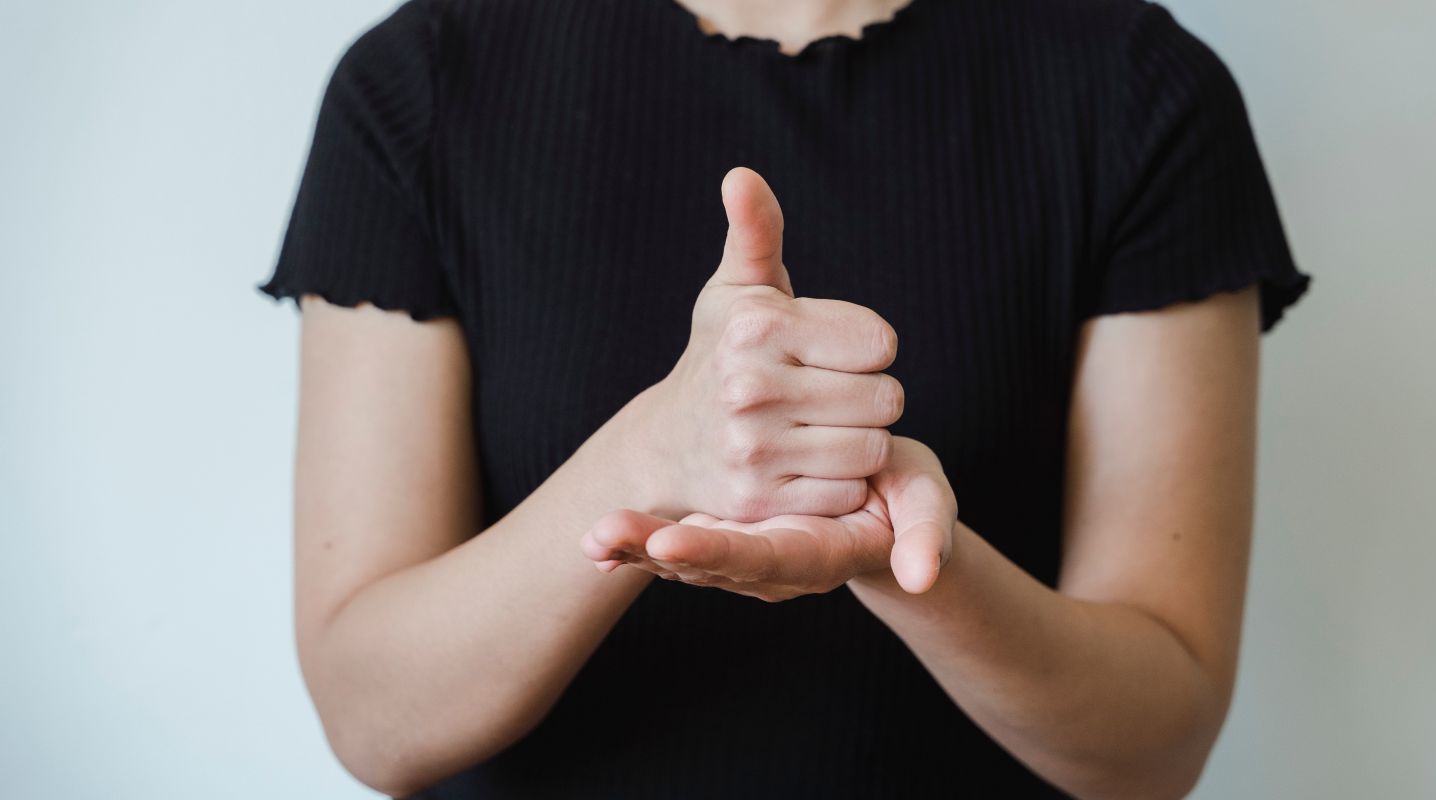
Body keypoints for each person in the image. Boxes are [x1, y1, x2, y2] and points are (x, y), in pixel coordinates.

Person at [257, 0, 1311, 796]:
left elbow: (1156, 735)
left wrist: (907, 560)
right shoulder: (424, 84)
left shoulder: (1139, 91)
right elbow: (370, 711)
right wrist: (652, 461)